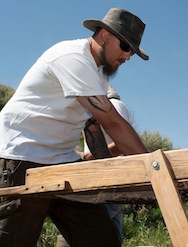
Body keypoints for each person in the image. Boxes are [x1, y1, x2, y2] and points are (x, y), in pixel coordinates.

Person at [0, 8, 149, 247]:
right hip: (22, 158)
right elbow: (113, 122)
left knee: (102, 239)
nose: (128, 56)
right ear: (103, 35)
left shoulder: (98, 76)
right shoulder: (72, 57)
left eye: (131, 50)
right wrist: (153, 166)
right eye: (125, 46)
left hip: (62, 164)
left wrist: (109, 176)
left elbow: (92, 130)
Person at [55, 85, 131, 246]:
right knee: (111, 228)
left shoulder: (113, 106)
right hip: (114, 178)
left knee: (79, 225)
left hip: (108, 178)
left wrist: (92, 156)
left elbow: (121, 144)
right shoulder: (93, 111)